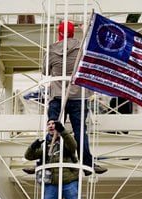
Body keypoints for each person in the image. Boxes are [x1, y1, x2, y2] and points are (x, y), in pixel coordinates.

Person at [45, 20, 107, 176]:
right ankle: (87, 164)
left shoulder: (52, 50)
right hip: (79, 95)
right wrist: (86, 29)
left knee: (52, 130)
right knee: (80, 132)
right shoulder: (82, 47)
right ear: (73, 33)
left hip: (58, 96)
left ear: (59, 33)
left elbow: (45, 71)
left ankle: (43, 162)